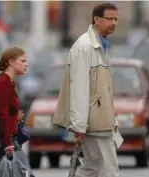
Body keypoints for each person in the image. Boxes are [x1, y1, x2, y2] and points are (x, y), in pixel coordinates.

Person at [56, 3, 120, 177]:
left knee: (92, 167)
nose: (114, 23)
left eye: (116, 19)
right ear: (96, 20)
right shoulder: (85, 46)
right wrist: (78, 125)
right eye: (109, 19)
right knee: (109, 170)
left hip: (99, 119)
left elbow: (102, 89)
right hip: (94, 121)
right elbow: (79, 87)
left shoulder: (100, 45)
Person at [0, 47, 29, 177]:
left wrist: (14, 116)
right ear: (11, 62)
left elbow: (5, 111)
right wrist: (8, 145)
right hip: (1, 141)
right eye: (23, 61)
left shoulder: (8, 81)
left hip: (4, 139)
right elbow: (2, 114)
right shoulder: (3, 82)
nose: (26, 64)